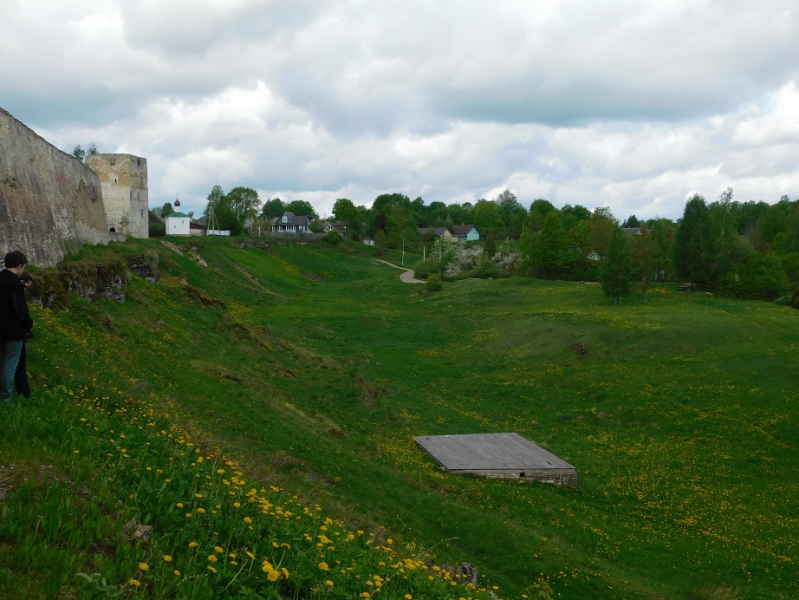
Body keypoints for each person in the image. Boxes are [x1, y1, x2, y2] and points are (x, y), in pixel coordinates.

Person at [0, 251, 33, 402]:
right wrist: (28, 323)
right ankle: (6, 396)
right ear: (19, 266)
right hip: (13, 330)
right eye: (23, 267)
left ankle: (21, 392)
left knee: (5, 361)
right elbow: (20, 310)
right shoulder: (14, 284)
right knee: (10, 363)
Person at [13, 272, 33, 398]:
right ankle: (10, 394)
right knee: (16, 364)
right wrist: (28, 324)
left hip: (12, 332)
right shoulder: (16, 292)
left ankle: (22, 392)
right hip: (15, 333)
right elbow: (22, 313)